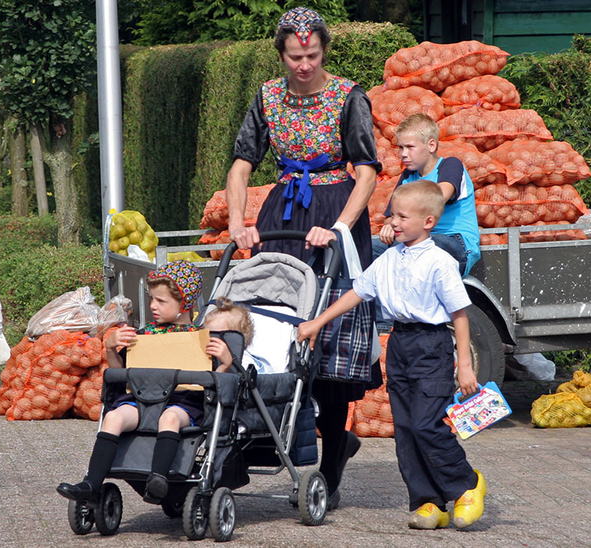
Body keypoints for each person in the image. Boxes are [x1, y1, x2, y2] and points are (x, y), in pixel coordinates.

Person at [224, 6, 381, 509]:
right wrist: (236, 219)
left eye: (312, 55)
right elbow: (242, 163)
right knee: (276, 333)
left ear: (324, 51)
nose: (304, 65)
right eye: (295, 56)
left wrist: (339, 227)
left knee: (328, 349)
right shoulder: (268, 96)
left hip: (336, 214)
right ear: (281, 54)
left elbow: (367, 171)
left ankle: (330, 466)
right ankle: (267, 443)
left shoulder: (348, 97)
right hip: (286, 219)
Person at [297, 181, 488, 530]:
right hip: (400, 345)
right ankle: (428, 501)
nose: (394, 223)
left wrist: (465, 365)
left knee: (425, 424)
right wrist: (317, 322)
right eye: (392, 215)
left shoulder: (439, 262)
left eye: (402, 217)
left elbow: (460, 315)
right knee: (405, 430)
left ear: (428, 221)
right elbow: (357, 292)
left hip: (432, 347)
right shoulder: (389, 259)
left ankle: (467, 484)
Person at [56, 261, 252, 504]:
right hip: (141, 399)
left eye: (161, 301)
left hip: (183, 403)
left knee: (168, 418)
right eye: (152, 299)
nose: (152, 306)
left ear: (185, 304)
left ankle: (158, 477)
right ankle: (91, 484)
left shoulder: (200, 339)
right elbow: (120, 376)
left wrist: (224, 362)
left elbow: (215, 384)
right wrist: (111, 348)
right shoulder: (141, 336)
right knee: (113, 417)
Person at [374, 113, 481, 276]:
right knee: (370, 248)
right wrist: (390, 224)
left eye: (410, 147)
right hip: (416, 240)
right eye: (401, 148)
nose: (403, 154)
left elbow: (438, 198)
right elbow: (390, 216)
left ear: (431, 145)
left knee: (419, 245)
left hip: (455, 243)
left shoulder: (450, 165)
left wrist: (399, 220)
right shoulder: (408, 176)